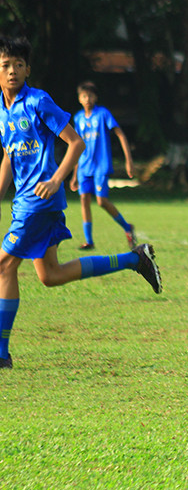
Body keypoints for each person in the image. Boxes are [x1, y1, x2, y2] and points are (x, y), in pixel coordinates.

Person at [0, 36, 161, 370]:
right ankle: (134, 259)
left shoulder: (38, 101)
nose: (12, 71)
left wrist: (56, 179)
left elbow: (75, 143)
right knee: (50, 275)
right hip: (25, 202)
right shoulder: (2, 111)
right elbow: (8, 156)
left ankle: (1, 354)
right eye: (5, 65)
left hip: (39, 202)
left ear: (28, 70)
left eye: (19, 64)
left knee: (3, 266)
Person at [69, 81, 137, 250]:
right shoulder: (78, 118)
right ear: (79, 99)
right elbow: (77, 146)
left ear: (96, 97)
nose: (88, 99)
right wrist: (74, 174)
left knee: (101, 201)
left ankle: (127, 227)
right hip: (83, 167)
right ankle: (89, 241)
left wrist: (128, 160)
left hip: (100, 165)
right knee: (84, 199)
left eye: (91, 96)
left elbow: (120, 134)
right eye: (84, 96)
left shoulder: (103, 114)